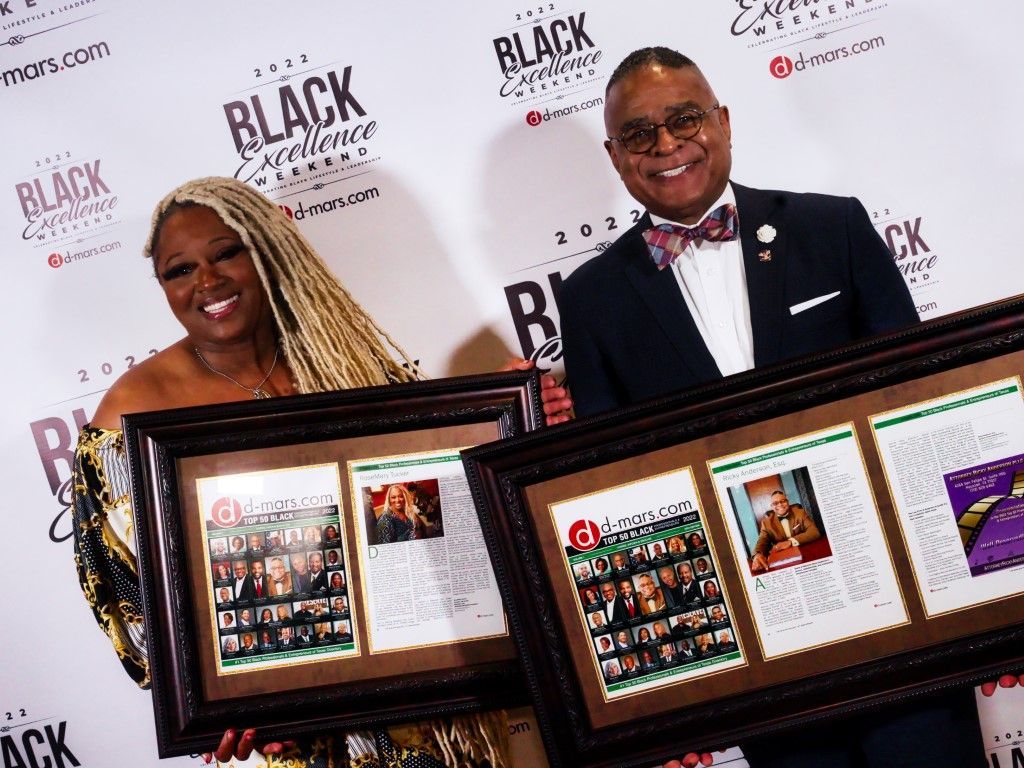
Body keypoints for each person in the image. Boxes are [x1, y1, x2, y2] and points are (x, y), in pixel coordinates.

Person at [71, 177, 570, 767]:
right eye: (179, 270)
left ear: (267, 249)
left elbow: (428, 516)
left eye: (226, 253)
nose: (206, 281)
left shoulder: (343, 360)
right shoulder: (132, 415)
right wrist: (212, 704)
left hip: (436, 708)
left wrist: (504, 428)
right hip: (302, 737)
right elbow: (132, 600)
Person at [557, 46, 918, 417]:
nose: (665, 145)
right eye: (638, 135)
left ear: (724, 124)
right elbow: (610, 447)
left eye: (684, 120)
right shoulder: (588, 300)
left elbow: (915, 379)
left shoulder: (834, 228)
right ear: (615, 157)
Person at [751, 492, 821, 573]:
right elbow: (762, 541)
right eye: (775, 503)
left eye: (783, 501)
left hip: (804, 554)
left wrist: (790, 542)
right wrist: (757, 555)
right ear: (772, 506)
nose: (780, 505)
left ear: (788, 502)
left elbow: (814, 532)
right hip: (782, 561)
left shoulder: (800, 513)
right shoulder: (766, 523)